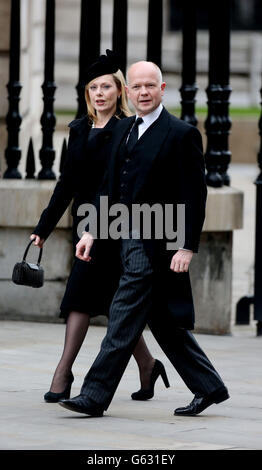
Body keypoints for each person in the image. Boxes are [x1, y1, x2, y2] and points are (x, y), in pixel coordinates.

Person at [59, 60, 230, 418]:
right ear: (129, 91)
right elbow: (109, 187)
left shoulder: (181, 134)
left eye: (150, 86)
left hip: (156, 243)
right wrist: (92, 230)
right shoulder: (124, 131)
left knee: (121, 316)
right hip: (120, 237)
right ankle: (209, 387)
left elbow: (193, 196)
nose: (143, 93)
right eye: (136, 87)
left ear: (162, 89)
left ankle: (94, 395)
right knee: (165, 322)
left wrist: (186, 245)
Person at [31, 51, 169, 403]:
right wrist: (43, 228)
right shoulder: (77, 130)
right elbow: (67, 184)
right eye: (93, 88)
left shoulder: (128, 129)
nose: (99, 93)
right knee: (112, 302)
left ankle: (63, 373)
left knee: (80, 295)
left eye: (106, 86)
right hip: (86, 228)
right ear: (87, 93)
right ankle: (148, 365)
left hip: (115, 225)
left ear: (119, 90)